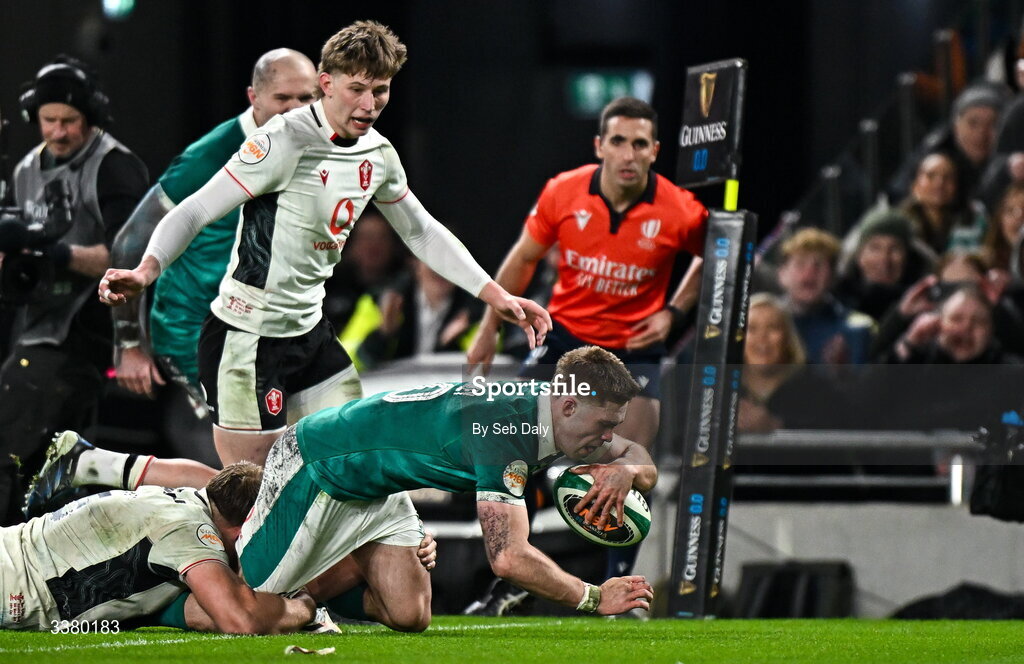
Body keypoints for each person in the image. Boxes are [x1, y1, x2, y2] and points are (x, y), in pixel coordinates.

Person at [99, 21, 551, 468]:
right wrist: (146, 271)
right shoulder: (283, 140)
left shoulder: (378, 153)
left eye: (381, 91)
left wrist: (496, 294)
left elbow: (421, 231)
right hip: (247, 339)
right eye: (357, 89)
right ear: (326, 84)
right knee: (250, 495)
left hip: (310, 336)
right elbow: (194, 211)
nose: (370, 104)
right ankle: (101, 467)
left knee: (356, 462)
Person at [35, 346, 655, 629]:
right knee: (248, 603)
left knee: (409, 616)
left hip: (380, 489)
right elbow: (507, 557)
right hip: (320, 462)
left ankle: (337, 567)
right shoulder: (506, 430)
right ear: (570, 403)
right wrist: (590, 597)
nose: (607, 440)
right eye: (603, 426)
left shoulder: (555, 415)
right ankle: (117, 490)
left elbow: (635, 455)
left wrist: (629, 470)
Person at [465, 96, 706, 612]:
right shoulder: (563, 191)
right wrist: (487, 330)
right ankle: (513, 578)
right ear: (600, 146)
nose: (628, 153)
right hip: (566, 339)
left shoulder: (682, 210)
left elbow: (720, 253)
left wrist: (674, 313)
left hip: (633, 350)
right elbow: (522, 259)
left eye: (639, 143)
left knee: (632, 470)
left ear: (654, 151)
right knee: (508, 442)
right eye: (617, 141)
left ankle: (626, 595)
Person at [110, 48, 318, 404]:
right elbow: (131, 242)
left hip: (258, 329)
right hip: (194, 332)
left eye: (305, 97)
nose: (295, 108)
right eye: (282, 98)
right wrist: (129, 344)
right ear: (254, 97)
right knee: (247, 452)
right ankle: (96, 462)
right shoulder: (210, 156)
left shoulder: (313, 146)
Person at [0, 56, 149, 524]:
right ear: (34, 117)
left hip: (90, 330)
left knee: (20, 451)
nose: (60, 132)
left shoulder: (116, 167)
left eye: (70, 121)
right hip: (37, 326)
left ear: (91, 119)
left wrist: (57, 255)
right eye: (50, 121)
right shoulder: (26, 170)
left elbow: (134, 258)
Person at [0, 455, 317, 633]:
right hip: (14, 590)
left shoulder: (183, 498)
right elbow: (239, 619)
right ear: (244, 527)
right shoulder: (192, 534)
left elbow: (202, 610)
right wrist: (303, 606)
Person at [340, 256, 480, 371]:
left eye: (452, 260)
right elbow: (345, 362)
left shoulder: (476, 311)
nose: (442, 267)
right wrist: (383, 334)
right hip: (389, 394)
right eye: (434, 257)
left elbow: (481, 371)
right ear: (416, 263)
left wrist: (454, 342)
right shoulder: (381, 302)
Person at [738, 293, 848, 432]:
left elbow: (832, 439)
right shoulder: (722, 387)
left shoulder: (818, 390)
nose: (762, 338)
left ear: (788, 338)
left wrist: (775, 426)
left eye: (773, 327)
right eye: (751, 329)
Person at [776, 228, 874, 364]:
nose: (809, 273)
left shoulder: (856, 330)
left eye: (818, 265)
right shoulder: (760, 325)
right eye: (800, 264)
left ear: (833, 277)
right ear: (782, 274)